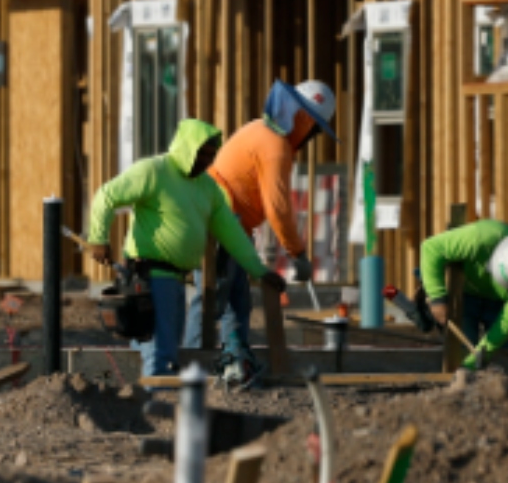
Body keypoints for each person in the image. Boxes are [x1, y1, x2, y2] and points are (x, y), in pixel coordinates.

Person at [87, 118, 285, 379]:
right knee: (159, 354)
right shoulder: (154, 171)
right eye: (201, 153)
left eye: (211, 155)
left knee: (163, 351)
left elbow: (232, 234)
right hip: (151, 277)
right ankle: (155, 406)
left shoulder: (207, 188)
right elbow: (106, 196)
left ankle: (148, 404)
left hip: (176, 280)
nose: (205, 160)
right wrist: (98, 238)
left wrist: (258, 270)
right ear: (185, 147)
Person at [185, 80, 337, 385]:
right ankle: (188, 371)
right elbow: (278, 208)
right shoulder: (275, 147)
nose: (312, 136)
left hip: (227, 222)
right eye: (315, 129)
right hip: (220, 222)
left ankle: (234, 365)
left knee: (236, 302)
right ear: (304, 119)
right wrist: (298, 254)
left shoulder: (261, 131)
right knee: (213, 299)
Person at [420, 219, 508, 370]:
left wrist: (472, 364)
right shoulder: (480, 237)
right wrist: (437, 298)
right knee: (460, 350)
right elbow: (431, 248)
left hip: (502, 305)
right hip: (465, 296)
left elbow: (507, 322)